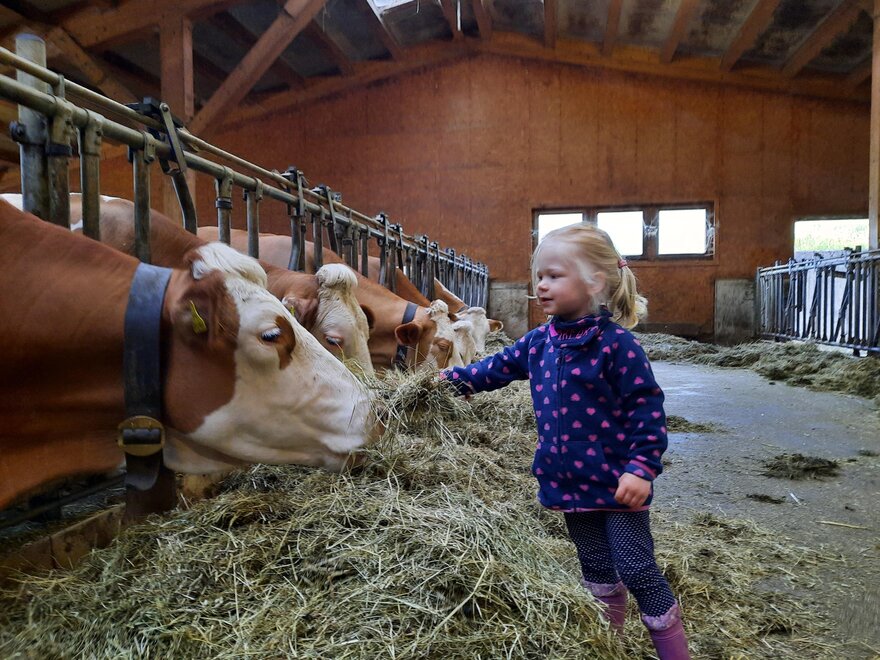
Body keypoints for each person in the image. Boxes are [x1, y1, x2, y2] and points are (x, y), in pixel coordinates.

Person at [440, 223, 689, 659]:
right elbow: (495, 369)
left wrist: (641, 468)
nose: (541, 285)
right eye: (539, 275)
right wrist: (451, 381)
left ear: (594, 282)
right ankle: (609, 647)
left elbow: (647, 410)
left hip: (617, 485)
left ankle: (675, 653)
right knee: (596, 568)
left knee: (636, 569)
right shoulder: (540, 342)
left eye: (554, 275)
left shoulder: (618, 346)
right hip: (569, 484)